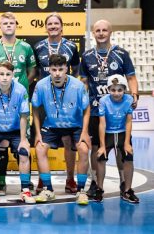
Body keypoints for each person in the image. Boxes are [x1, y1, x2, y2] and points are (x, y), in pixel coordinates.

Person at [80, 19, 139, 199]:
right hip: (96, 111)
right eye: (97, 30)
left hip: (117, 111)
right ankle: (96, 184)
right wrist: (83, 102)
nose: (101, 33)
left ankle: (124, 183)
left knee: (122, 148)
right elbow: (83, 82)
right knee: (97, 148)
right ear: (93, 33)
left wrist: (134, 95)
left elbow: (131, 77)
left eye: (104, 30)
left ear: (110, 32)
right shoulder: (87, 55)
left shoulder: (121, 54)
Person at [0, 12, 36, 195]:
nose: (8, 25)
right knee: (0, 143)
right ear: (0, 26)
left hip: (19, 101)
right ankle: (1, 183)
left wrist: (20, 87)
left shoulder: (25, 47)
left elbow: (32, 71)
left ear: (16, 25)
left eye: (11, 22)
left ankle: (27, 183)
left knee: (23, 141)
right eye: (5, 23)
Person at [32, 54, 91, 205]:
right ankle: (48, 189)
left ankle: (81, 190)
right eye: (54, 70)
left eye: (60, 69)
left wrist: (84, 132)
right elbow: (36, 109)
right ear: (49, 70)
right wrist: (38, 133)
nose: (57, 73)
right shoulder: (41, 85)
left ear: (67, 69)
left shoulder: (78, 86)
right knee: (39, 149)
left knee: (84, 149)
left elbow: (86, 109)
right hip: (51, 125)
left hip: (75, 125)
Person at [33, 13, 81, 194]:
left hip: (67, 99)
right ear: (46, 27)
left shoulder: (71, 46)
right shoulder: (38, 47)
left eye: (56, 23)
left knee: (69, 141)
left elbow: (76, 70)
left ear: (62, 27)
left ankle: (70, 179)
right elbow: (35, 71)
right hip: (46, 99)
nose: (53, 26)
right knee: (40, 143)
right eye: (50, 24)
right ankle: (42, 180)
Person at [0, 61, 35, 204]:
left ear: (13, 75)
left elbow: (24, 116)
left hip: (15, 130)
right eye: (2, 74)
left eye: (8, 74)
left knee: (24, 152)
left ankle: (25, 191)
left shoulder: (21, 90)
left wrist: (23, 139)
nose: (5, 77)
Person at [96, 74, 139, 203]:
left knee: (128, 157)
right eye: (113, 90)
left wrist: (127, 143)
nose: (116, 93)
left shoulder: (129, 100)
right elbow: (102, 123)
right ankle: (99, 189)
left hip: (122, 133)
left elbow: (129, 122)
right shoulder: (103, 101)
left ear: (124, 89)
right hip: (108, 133)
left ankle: (127, 190)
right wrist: (102, 146)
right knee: (100, 158)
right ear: (108, 89)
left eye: (120, 90)